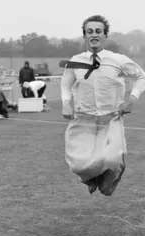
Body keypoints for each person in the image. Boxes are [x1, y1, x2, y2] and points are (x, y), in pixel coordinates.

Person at [61, 15, 145, 195]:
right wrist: (66, 103)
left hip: (111, 117)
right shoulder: (75, 61)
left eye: (98, 31)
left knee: (111, 159)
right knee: (77, 163)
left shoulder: (118, 60)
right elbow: (65, 85)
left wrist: (131, 99)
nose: (94, 35)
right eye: (89, 31)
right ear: (84, 36)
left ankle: (112, 175)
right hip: (83, 119)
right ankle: (90, 178)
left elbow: (141, 77)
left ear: (105, 35)